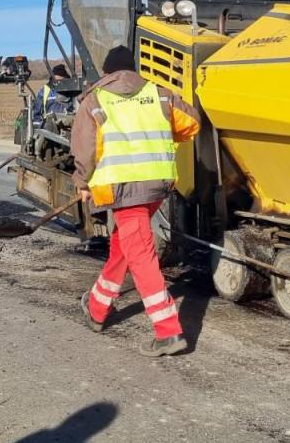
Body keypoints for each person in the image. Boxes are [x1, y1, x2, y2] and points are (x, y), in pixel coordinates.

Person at [71, 46, 201, 356]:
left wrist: (83, 182)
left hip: (123, 190)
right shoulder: (159, 93)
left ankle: (168, 331)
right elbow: (192, 123)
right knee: (123, 247)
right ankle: (98, 307)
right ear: (133, 69)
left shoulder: (95, 99)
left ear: (107, 72)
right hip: (156, 185)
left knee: (140, 255)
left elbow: (86, 148)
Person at [30, 64, 71, 128]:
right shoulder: (44, 91)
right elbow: (37, 113)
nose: (58, 82)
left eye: (60, 80)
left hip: (68, 126)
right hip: (49, 128)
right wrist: (37, 127)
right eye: (55, 79)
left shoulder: (72, 90)